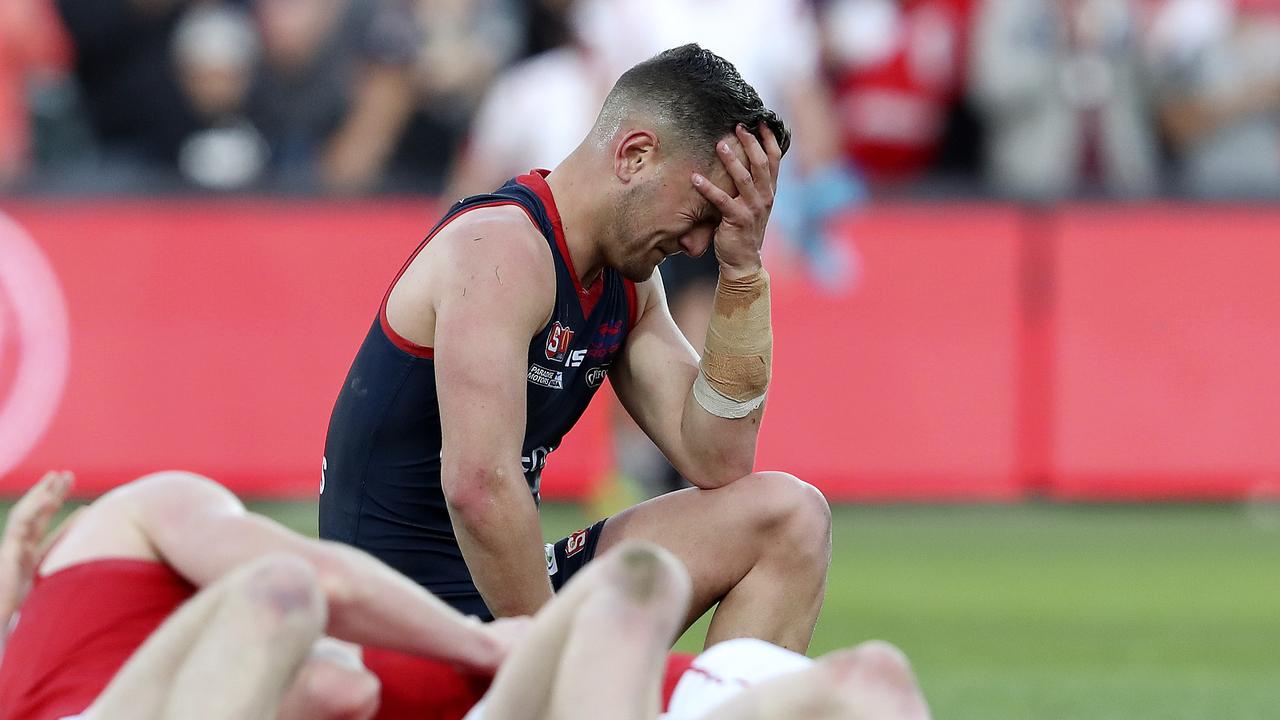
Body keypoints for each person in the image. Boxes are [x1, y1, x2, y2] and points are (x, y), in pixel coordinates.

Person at [320, 43, 832, 653]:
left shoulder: (629, 282)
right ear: (635, 155)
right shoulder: (500, 249)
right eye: (699, 214)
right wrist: (554, 672)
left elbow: (719, 460)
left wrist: (744, 270)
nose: (699, 247)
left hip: (497, 603)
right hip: (395, 627)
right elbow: (478, 487)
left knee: (788, 516)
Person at [1, 472, 931, 720]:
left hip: (547, 687)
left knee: (879, 678)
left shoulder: (57, 637)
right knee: (631, 593)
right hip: (525, 687)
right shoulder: (135, 532)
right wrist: (485, 643)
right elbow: (323, 649)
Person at [0, 469, 526, 720]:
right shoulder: (140, 512)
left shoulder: (47, 626)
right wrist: (484, 645)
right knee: (283, 585)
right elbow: (322, 608)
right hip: (489, 679)